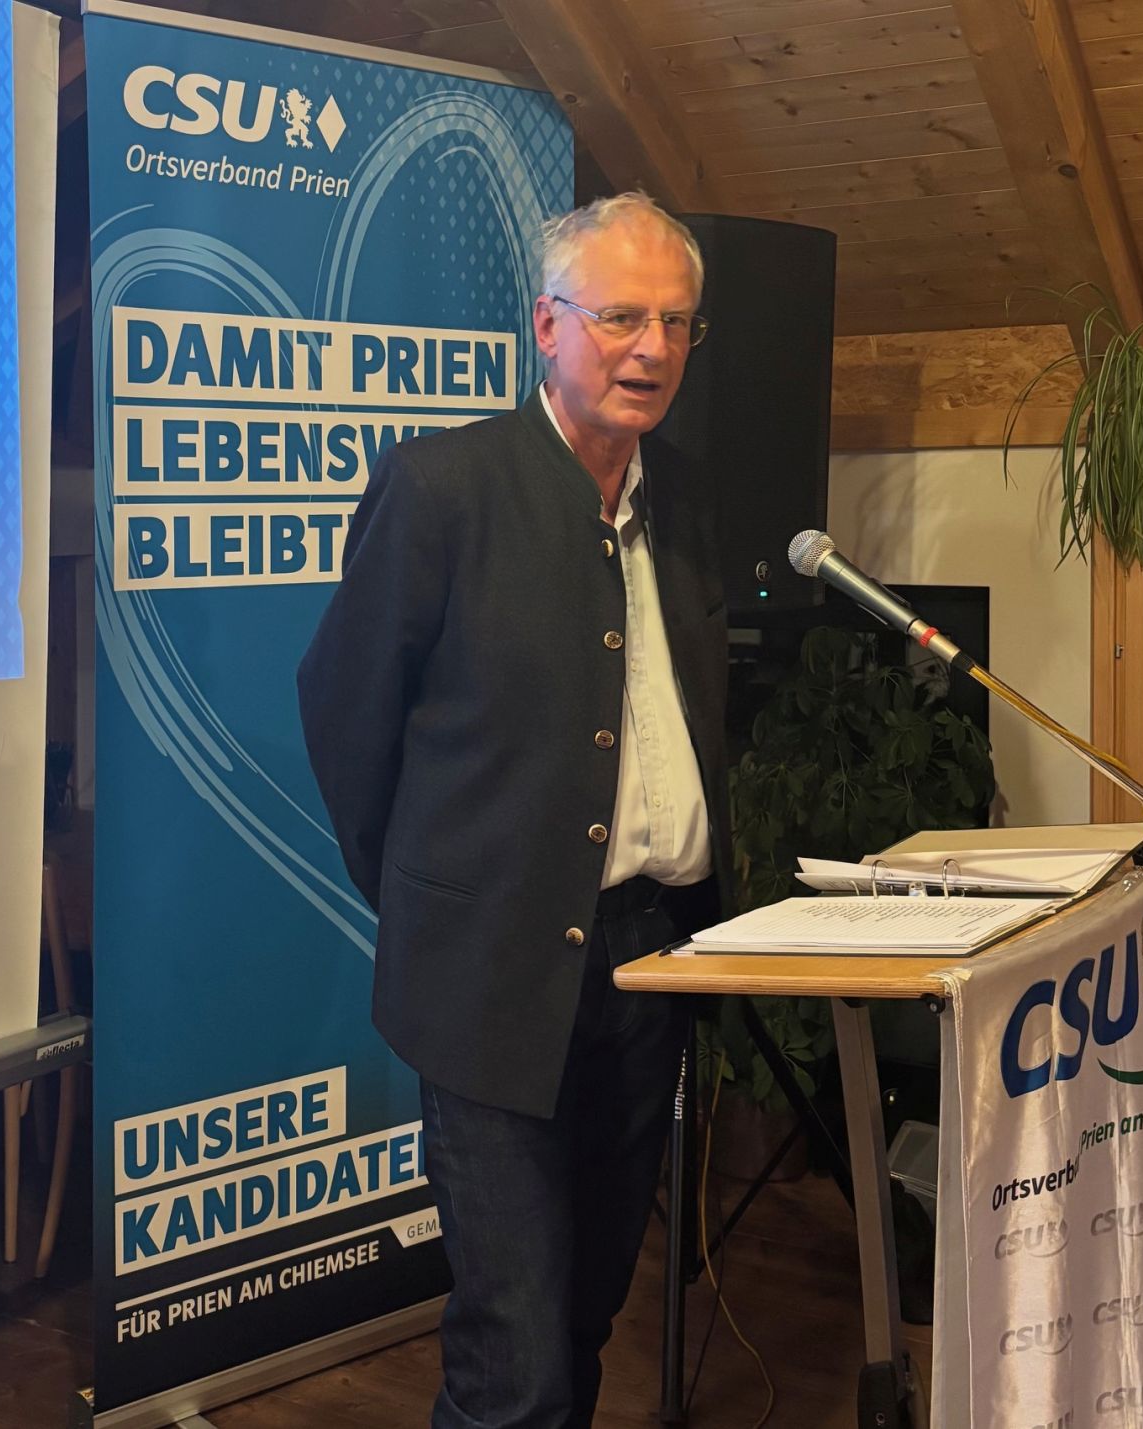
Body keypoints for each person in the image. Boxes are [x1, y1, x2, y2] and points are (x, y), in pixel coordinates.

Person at [296, 191, 731, 1429]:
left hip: (654, 965)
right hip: (491, 974)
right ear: (547, 325)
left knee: (585, 1314)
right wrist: (443, 896)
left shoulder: (688, 497)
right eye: (621, 317)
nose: (652, 348)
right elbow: (346, 713)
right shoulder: (444, 488)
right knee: (516, 1356)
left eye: (677, 322)